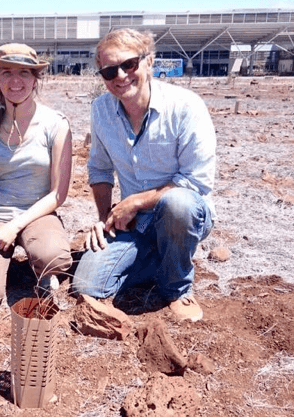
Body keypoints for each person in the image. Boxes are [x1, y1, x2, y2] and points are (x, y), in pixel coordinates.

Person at [72, 29, 216, 322]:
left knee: (178, 204)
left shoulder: (186, 106)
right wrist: (105, 220)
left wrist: (135, 202)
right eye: (110, 71)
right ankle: (161, 257)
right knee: (87, 285)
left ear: (149, 61)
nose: (121, 76)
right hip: (135, 222)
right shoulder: (101, 110)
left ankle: (177, 288)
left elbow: (196, 182)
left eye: (129, 65)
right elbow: (99, 168)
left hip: (183, 214)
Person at [0, 43, 73, 310]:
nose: (15, 81)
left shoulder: (56, 124)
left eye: (24, 73)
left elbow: (58, 194)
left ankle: (35, 266)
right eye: (6, 73)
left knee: (55, 259)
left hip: (37, 213)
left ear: (35, 79)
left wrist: (14, 226)